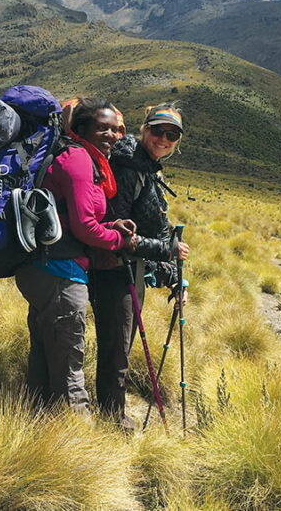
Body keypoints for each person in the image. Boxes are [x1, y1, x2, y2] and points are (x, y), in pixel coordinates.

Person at [14, 97, 138, 414]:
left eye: (115, 129)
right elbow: (84, 228)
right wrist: (118, 241)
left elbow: (73, 217)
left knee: (43, 361)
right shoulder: (80, 161)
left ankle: (38, 432)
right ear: (82, 128)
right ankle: (80, 449)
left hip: (42, 268)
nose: (111, 135)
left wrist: (111, 225)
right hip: (61, 274)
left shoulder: (75, 156)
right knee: (70, 372)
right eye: (102, 128)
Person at [90, 102, 191, 430]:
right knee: (116, 350)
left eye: (171, 134)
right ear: (145, 128)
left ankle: (111, 412)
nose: (164, 138)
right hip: (115, 270)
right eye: (158, 130)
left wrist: (175, 277)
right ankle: (113, 420)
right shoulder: (130, 167)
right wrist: (168, 249)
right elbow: (117, 230)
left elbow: (156, 227)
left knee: (120, 345)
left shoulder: (148, 167)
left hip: (131, 269)